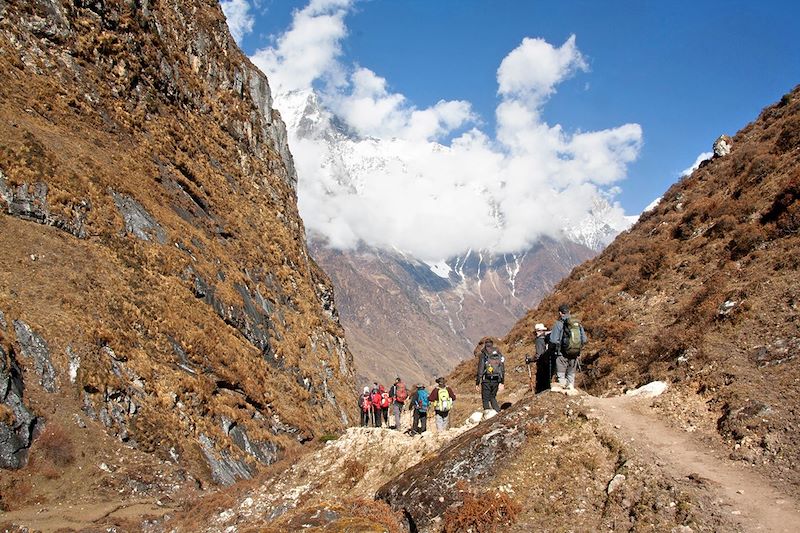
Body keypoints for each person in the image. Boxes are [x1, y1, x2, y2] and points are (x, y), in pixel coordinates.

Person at [549, 304, 587, 391]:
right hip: (574, 354)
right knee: (571, 374)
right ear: (569, 312)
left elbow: (553, 340)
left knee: (561, 375)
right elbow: (584, 339)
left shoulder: (558, 324)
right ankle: (571, 391)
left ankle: (564, 394)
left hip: (561, 355)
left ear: (560, 313)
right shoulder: (577, 324)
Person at [475, 339, 504, 412]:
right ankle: (498, 412)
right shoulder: (498, 354)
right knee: (493, 397)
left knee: (485, 399)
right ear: (492, 344)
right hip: (496, 379)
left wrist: (477, 382)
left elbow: (480, 370)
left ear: (485, 344)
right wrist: (502, 381)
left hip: (486, 380)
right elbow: (502, 368)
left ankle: (487, 415)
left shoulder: (483, 354)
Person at [529, 323, 554, 393]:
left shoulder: (539, 340)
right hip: (550, 360)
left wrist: (530, 360)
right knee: (547, 379)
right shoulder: (548, 338)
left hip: (542, 363)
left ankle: (541, 394)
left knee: (541, 381)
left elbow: (539, 355)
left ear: (538, 331)